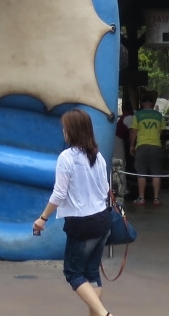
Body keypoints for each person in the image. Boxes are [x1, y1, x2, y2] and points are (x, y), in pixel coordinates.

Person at [34, 109, 115, 316]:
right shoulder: (97, 156)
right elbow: (106, 189)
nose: (64, 131)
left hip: (82, 223)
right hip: (102, 219)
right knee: (92, 272)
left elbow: (59, 193)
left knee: (73, 273)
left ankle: (104, 314)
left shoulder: (67, 157)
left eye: (65, 128)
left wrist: (43, 218)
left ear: (72, 131)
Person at [129, 94, 164, 206]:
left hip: (142, 146)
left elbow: (133, 132)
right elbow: (161, 131)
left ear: (142, 103)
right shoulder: (159, 115)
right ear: (152, 104)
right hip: (156, 146)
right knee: (156, 173)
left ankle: (141, 198)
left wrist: (131, 145)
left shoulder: (137, 115)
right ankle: (156, 199)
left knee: (141, 173)